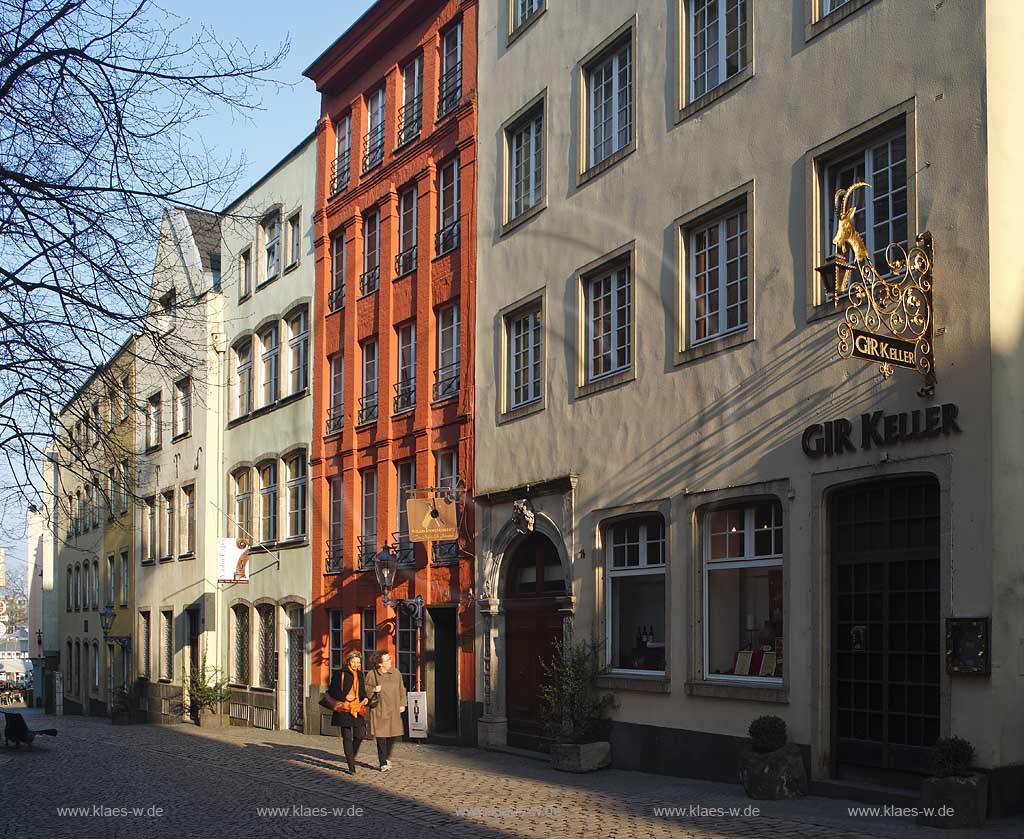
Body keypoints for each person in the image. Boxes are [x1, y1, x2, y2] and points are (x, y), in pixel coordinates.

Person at [327, 651, 369, 774]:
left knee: (360, 734)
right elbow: (332, 691)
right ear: (349, 661)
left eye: (358, 662)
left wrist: (365, 697)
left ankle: (351, 754)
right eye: (354, 662)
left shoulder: (360, 674)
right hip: (344, 708)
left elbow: (361, 691)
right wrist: (345, 696)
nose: (356, 664)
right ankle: (351, 766)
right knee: (347, 737)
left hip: (357, 708)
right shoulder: (340, 673)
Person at [365, 651, 407, 771]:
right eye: (387, 660)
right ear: (379, 664)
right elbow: (365, 689)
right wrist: (373, 689)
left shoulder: (396, 673)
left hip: (394, 708)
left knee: (392, 734)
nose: (390, 661)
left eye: (389, 659)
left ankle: (387, 756)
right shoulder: (372, 675)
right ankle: (382, 761)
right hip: (379, 709)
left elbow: (402, 689)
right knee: (381, 735)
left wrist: (403, 703)